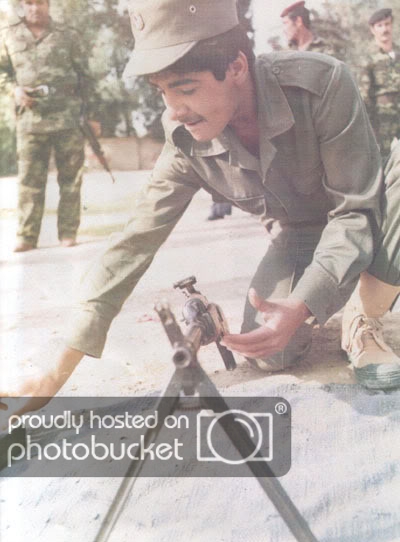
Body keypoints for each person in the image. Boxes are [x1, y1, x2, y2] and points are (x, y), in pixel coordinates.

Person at [3, 0, 400, 415]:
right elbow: (133, 243)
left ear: (237, 67)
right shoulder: (183, 138)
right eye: (161, 91)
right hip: (302, 234)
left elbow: (354, 211)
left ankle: (364, 315)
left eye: (186, 89)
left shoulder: (321, 83)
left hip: (374, 210)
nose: (174, 110)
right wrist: (53, 374)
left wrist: (305, 302)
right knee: (270, 351)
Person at [0, 0, 99, 252]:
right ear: (22, 5)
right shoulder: (8, 35)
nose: (35, 8)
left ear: (48, 4)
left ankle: (68, 233)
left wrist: (92, 115)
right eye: (29, 3)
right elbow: (2, 73)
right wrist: (14, 90)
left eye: (40, 2)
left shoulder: (68, 35)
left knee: (71, 179)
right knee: (29, 181)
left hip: (68, 117)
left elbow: (86, 77)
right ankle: (27, 236)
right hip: (30, 119)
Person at [358, 8, 400, 159]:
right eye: (380, 26)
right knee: (382, 158)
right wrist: (369, 122)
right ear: (372, 29)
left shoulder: (398, 53)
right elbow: (364, 93)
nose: (384, 29)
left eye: (387, 24)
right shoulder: (368, 57)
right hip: (381, 120)